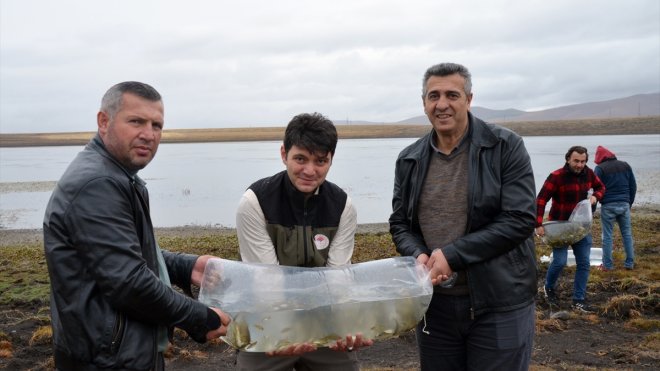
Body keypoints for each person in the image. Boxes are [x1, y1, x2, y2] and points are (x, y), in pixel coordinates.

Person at [43, 81, 233, 370]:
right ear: (103, 121)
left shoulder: (119, 177)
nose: (149, 134)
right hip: (106, 358)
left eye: (157, 125)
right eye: (136, 122)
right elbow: (129, 283)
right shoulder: (98, 183)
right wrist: (199, 318)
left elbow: (124, 255)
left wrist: (187, 266)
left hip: (120, 351)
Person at [389, 62, 538, 371]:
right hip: (435, 305)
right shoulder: (409, 159)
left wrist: (453, 256)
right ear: (424, 103)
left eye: (452, 95)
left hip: (500, 302)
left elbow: (520, 218)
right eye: (433, 96)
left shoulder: (505, 146)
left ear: (469, 99)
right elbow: (400, 223)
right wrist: (417, 254)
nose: (441, 104)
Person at [235, 112, 372, 370]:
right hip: (267, 318)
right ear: (283, 153)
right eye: (300, 159)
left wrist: (349, 325)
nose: (310, 170)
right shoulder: (254, 202)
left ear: (331, 160)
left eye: (321, 161)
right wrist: (284, 331)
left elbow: (338, 277)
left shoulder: (342, 206)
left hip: (325, 321)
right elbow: (266, 279)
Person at [536, 145, 605, 313]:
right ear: (568, 159)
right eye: (576, 161)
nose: (579, 165)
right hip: (559, 227)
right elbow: (541, 199)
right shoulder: (556, 176)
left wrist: (596, 197)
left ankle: (578, 300)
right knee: (559, 261)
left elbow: (601, 187)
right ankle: (549, 288)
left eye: (582, 161)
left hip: (580, 228)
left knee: (584, 263)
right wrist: (537, 224)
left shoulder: (588, 173)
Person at [594, 145, 637, 270]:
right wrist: (629, 203)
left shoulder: (600, 168)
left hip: (608, 206)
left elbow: (596, 188)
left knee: (607, 236)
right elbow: (633, 186)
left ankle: (607, 265)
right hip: (624, 204)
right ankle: (629, 263)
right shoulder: (625, 165)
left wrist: (594, 206)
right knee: (627, 234)